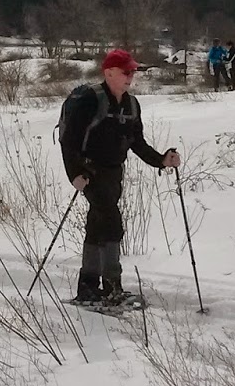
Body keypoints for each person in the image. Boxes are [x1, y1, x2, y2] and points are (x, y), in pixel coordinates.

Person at [59, 49, 181, 305]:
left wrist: (161, 159)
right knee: (112, 224)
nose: (130, 77)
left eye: (132, 72)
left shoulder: (131, 104)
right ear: (109, 72)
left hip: (114, 173)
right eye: (126, 72)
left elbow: (137, 142)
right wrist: (75, 174)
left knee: (97, 225)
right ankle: (112, 287)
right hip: (90, 173)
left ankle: (88, 287)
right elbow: (69, 142)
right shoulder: (91, 100)